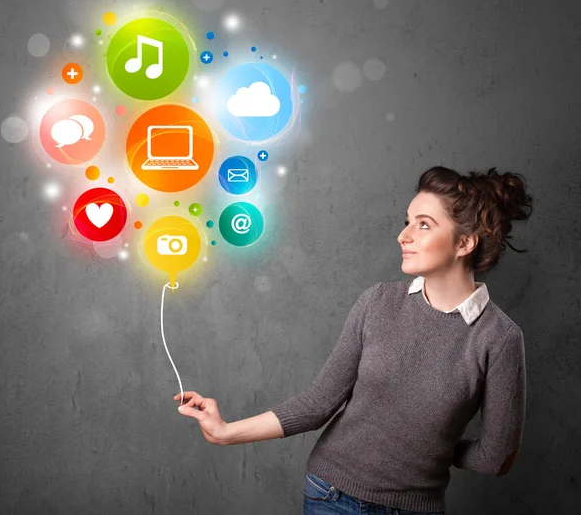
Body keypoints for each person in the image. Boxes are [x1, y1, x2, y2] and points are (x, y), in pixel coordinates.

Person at [173, 165, 533, 515]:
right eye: (407, 221)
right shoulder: (378, 301)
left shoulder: (499, 339)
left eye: (423, 225)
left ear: (465, 243)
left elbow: (496, 458)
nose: (403, 235)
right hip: (329, 496)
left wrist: (434, 446)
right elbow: (317, 405)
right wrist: (225, 432)